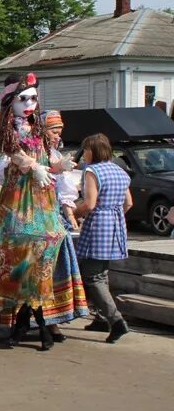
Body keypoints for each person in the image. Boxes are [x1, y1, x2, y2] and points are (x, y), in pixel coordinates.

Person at [0, 110, 88, 342]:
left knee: (47, 273)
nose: (57, 134)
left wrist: (60, 168)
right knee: (23, 272)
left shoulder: (50, 153)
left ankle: (51, 326)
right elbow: (4, 177)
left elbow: (64, 191)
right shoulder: (16, 152)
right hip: (20, 218)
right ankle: (26, 325)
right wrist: (28, 171)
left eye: (59, 129)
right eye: (52, 129)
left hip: (49, 217)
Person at [0, 72, 65, 351]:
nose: (29, 104)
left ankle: (29, 324)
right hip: (17, 204)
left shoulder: (40, 132)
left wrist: (58, 167)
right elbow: (15, 154)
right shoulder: (9, 132)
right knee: (18, 264)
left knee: (39, 265)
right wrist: (33, 167)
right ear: (10, 103)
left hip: (43, 205)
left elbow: (49, 161)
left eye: (34, 98)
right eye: (23, 98)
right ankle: (29, 325)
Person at [75, 132, 134, 344]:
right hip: (115, 225)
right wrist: (114, 216)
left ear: (93, 151)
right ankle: (101, 318)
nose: (84, 155)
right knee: (102, 272)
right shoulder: (119, 170)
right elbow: (128, 203)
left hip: (98, 224)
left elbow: (89, 204)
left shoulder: (93, 171)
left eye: (86, 151)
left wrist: (73, 213)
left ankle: (116, 321)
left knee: (92, 276)